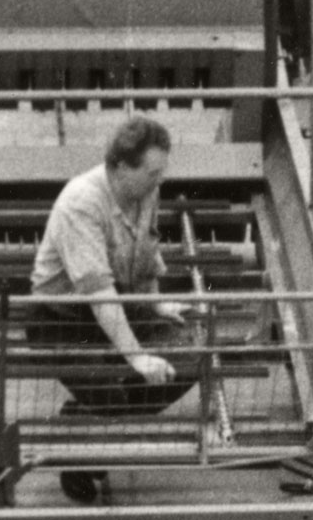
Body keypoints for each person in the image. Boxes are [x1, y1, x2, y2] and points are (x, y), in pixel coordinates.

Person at [26, 116, 199, 416]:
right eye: (152, 173)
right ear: (121, 168)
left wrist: (156, 304)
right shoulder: (82, 202)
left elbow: (146, 252)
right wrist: (137, 357)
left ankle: (93, 417)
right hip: (60, 321)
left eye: (162, 172)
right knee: (113, 399)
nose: (160, 180)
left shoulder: (147, 192)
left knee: (195, 356)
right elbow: (98, 293)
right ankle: (103, 418)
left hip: (116, 305)